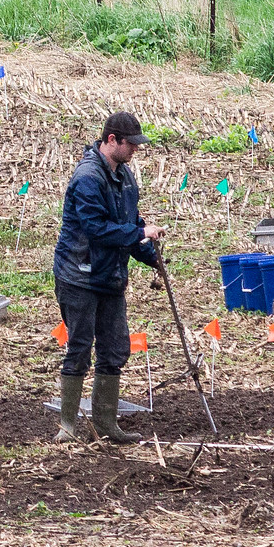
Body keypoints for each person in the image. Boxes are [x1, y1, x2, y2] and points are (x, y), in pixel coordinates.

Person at [52, 112, 166, 444]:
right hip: (79, 276)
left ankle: (106, 424)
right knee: (79, 348)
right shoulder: (88, 177)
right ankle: (67, 427)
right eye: (131, 144)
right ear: (111, 140)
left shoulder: (125, 176)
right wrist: (139, 232)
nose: (135, 150)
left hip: (110, 276)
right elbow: (97, 229)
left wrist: (152, 257)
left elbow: (129, 224)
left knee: (114, 349)